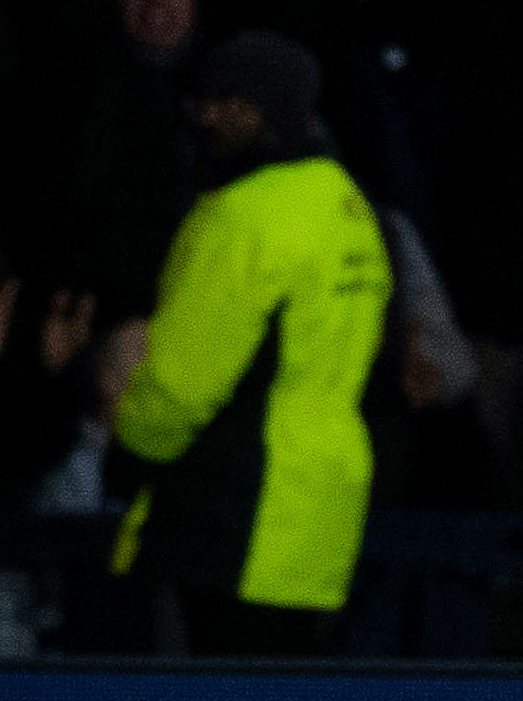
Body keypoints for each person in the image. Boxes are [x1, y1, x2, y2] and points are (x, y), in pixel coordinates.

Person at [107, 33, 395, 656]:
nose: (207, 118)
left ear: (259, 111)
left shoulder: (242, 216)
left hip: (227, 512)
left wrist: (127, 457)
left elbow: (182, 382)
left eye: (222, 103)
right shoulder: (349, 207)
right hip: (321, 512)